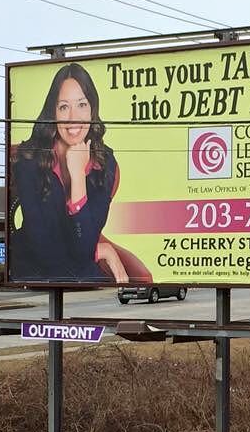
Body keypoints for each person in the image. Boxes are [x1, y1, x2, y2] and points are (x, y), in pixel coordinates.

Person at [9, 62, 151, 283]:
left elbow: (85, 241)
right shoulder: (30, 159)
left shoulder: (104, 163)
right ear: (52, 112)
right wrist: (102, 252)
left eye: (82, 105)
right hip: (36, 275)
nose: (73, 116)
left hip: (82, 276)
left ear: (92, 109)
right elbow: (47, 252)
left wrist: (77, 177)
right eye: (64, 107)